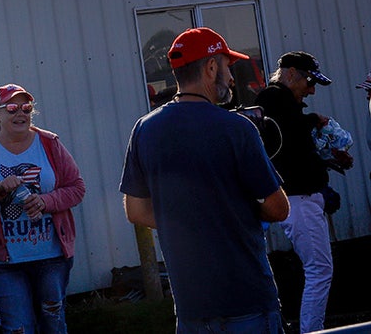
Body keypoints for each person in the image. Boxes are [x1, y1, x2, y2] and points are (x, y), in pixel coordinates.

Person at [120, 27, 290, 333]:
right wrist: (239, 216)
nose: (232, 77)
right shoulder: (236, 129)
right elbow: (279, 208)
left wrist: (187, 223)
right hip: (248, 301)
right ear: (211, 67)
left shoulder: (145, 129)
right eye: (227, 67)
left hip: (191, 310)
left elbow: (135, 211)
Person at [0, 84, 86, 334]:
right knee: (18, 328)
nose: (21, 114)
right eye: (12, 108)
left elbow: (77, 188)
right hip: (5, 263)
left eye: (26, 107)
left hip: (51, 257)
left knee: (53, 323)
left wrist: (46, 202)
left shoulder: (49, 143)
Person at [254, 51, 335, 333]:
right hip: (298, 199)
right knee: (319, 270)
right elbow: (286, 139)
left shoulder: (279, 102)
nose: (311, 90)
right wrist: (312, 120)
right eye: (309, 82)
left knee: (315, 269)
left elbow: (289, 148)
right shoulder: (274, 99)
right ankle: (312, 330)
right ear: (290, 74)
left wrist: (327, 161)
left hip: (301, 197)